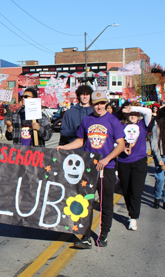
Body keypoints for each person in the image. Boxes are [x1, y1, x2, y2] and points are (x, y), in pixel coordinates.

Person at [56, 90, 125, 249]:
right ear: (92, 104)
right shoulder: (87, 120)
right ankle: (86, 236)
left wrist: (107, 159)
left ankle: (104, 234)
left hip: (106, 168)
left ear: (106, 103)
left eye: (102, 103)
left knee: (105, 203)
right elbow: (81, 141)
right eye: (96, 103)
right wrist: (65, 147)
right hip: (89, 168)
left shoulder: (113, 121)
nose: (99, 106)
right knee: (85, 202)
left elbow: (121, 144)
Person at [118, 102, 152, 231]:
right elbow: (114, 141)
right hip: (123, 162)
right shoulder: (121, 126)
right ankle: (130, 212)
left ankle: (133, 217)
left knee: (136, 191)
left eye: (135, 114)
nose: (133, 116)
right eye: (130, 114)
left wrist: (133, 108)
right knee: (126, 191)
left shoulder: (143, 124)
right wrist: (121, 149)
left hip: (139, 162)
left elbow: (148, 112)